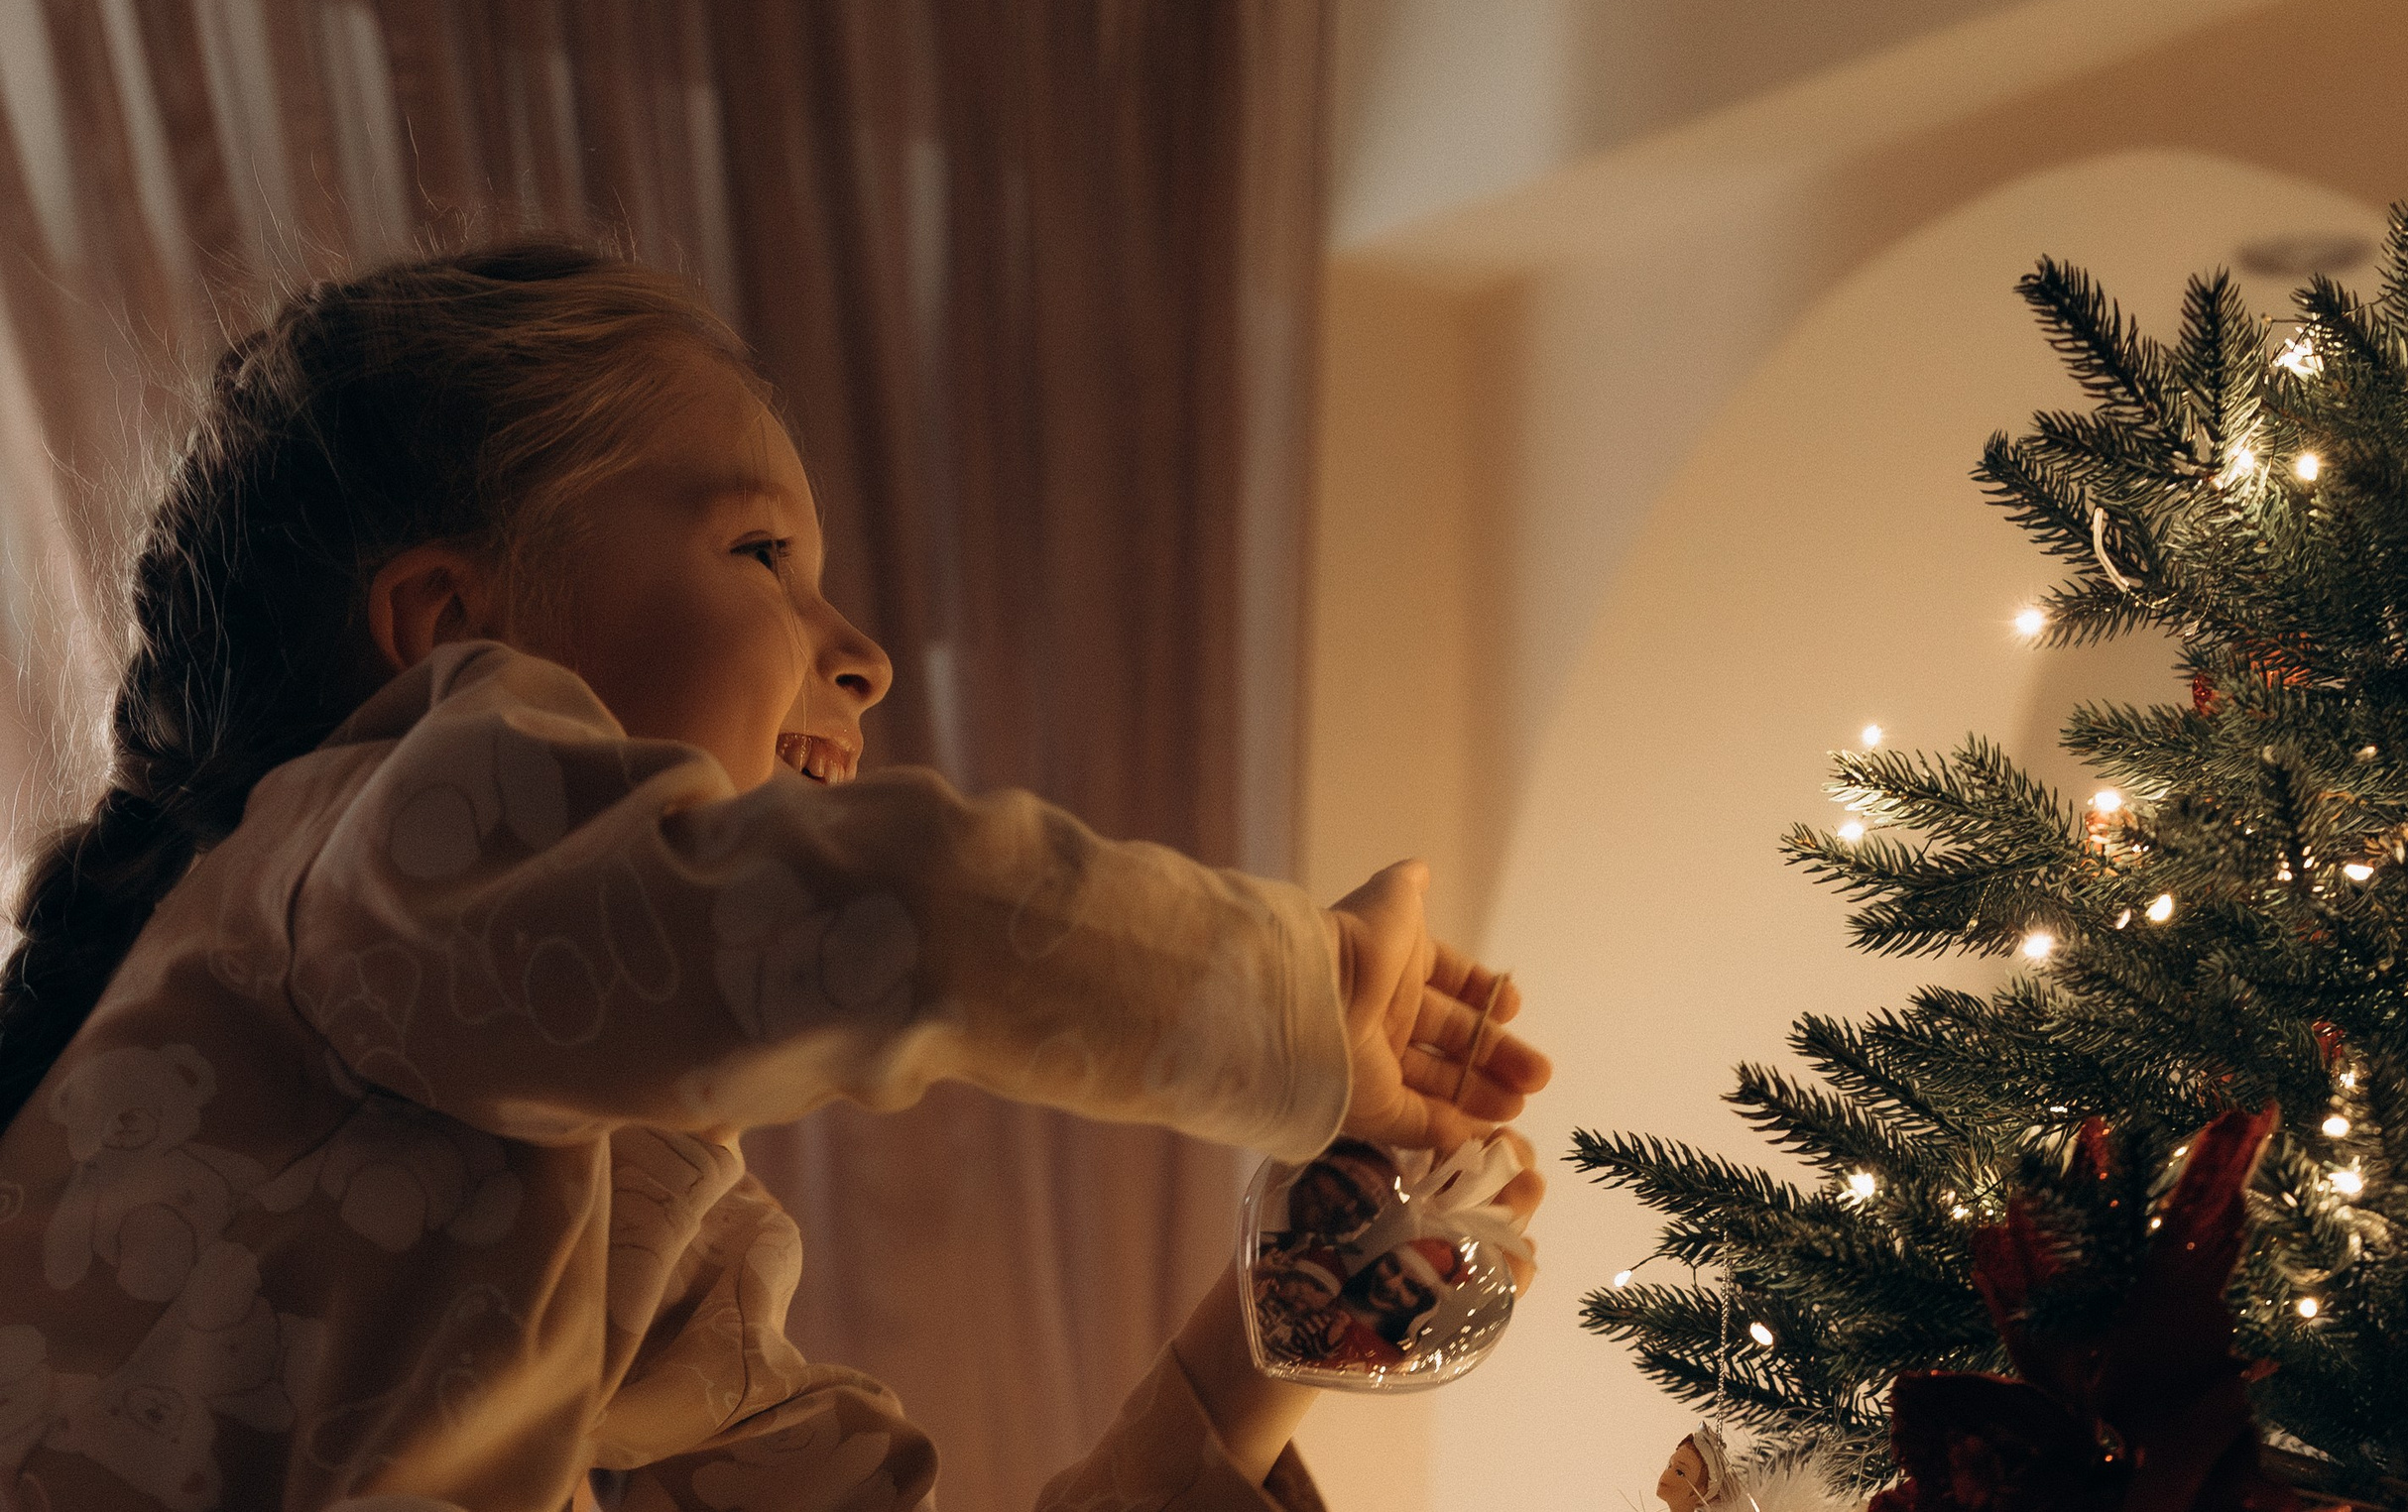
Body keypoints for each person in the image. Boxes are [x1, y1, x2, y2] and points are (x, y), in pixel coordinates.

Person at [0, 242, 1552, 1512]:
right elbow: (899, 920)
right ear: (445, 630)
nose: (865, 657)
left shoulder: (646, 1219)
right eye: (761, 557)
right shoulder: (358, 849)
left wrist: (1289, 1319)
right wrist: (1316, 992)